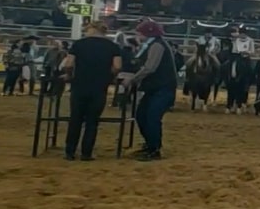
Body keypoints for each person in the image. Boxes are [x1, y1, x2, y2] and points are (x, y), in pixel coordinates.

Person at [59, 21, 122, 161]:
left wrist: (69, 75)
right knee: (92, 121)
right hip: (100, 86)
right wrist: (109, 76)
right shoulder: (113, 46)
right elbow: (117, 66)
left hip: (79, 84)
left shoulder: (79, 44)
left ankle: (69, 152)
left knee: (75, 119)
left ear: (92, 29)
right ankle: (86, 153)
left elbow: (69, 64)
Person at [122, 19, 177, 161]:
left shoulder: (156, 45)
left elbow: (150, 67)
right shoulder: (151, 44)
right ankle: (150, 144)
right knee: (142, 115)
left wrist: (133, 79)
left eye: (139, 32)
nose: (137, 35)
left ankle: (154, 149)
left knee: (152, 117)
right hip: (155, 88)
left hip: (162, 88)